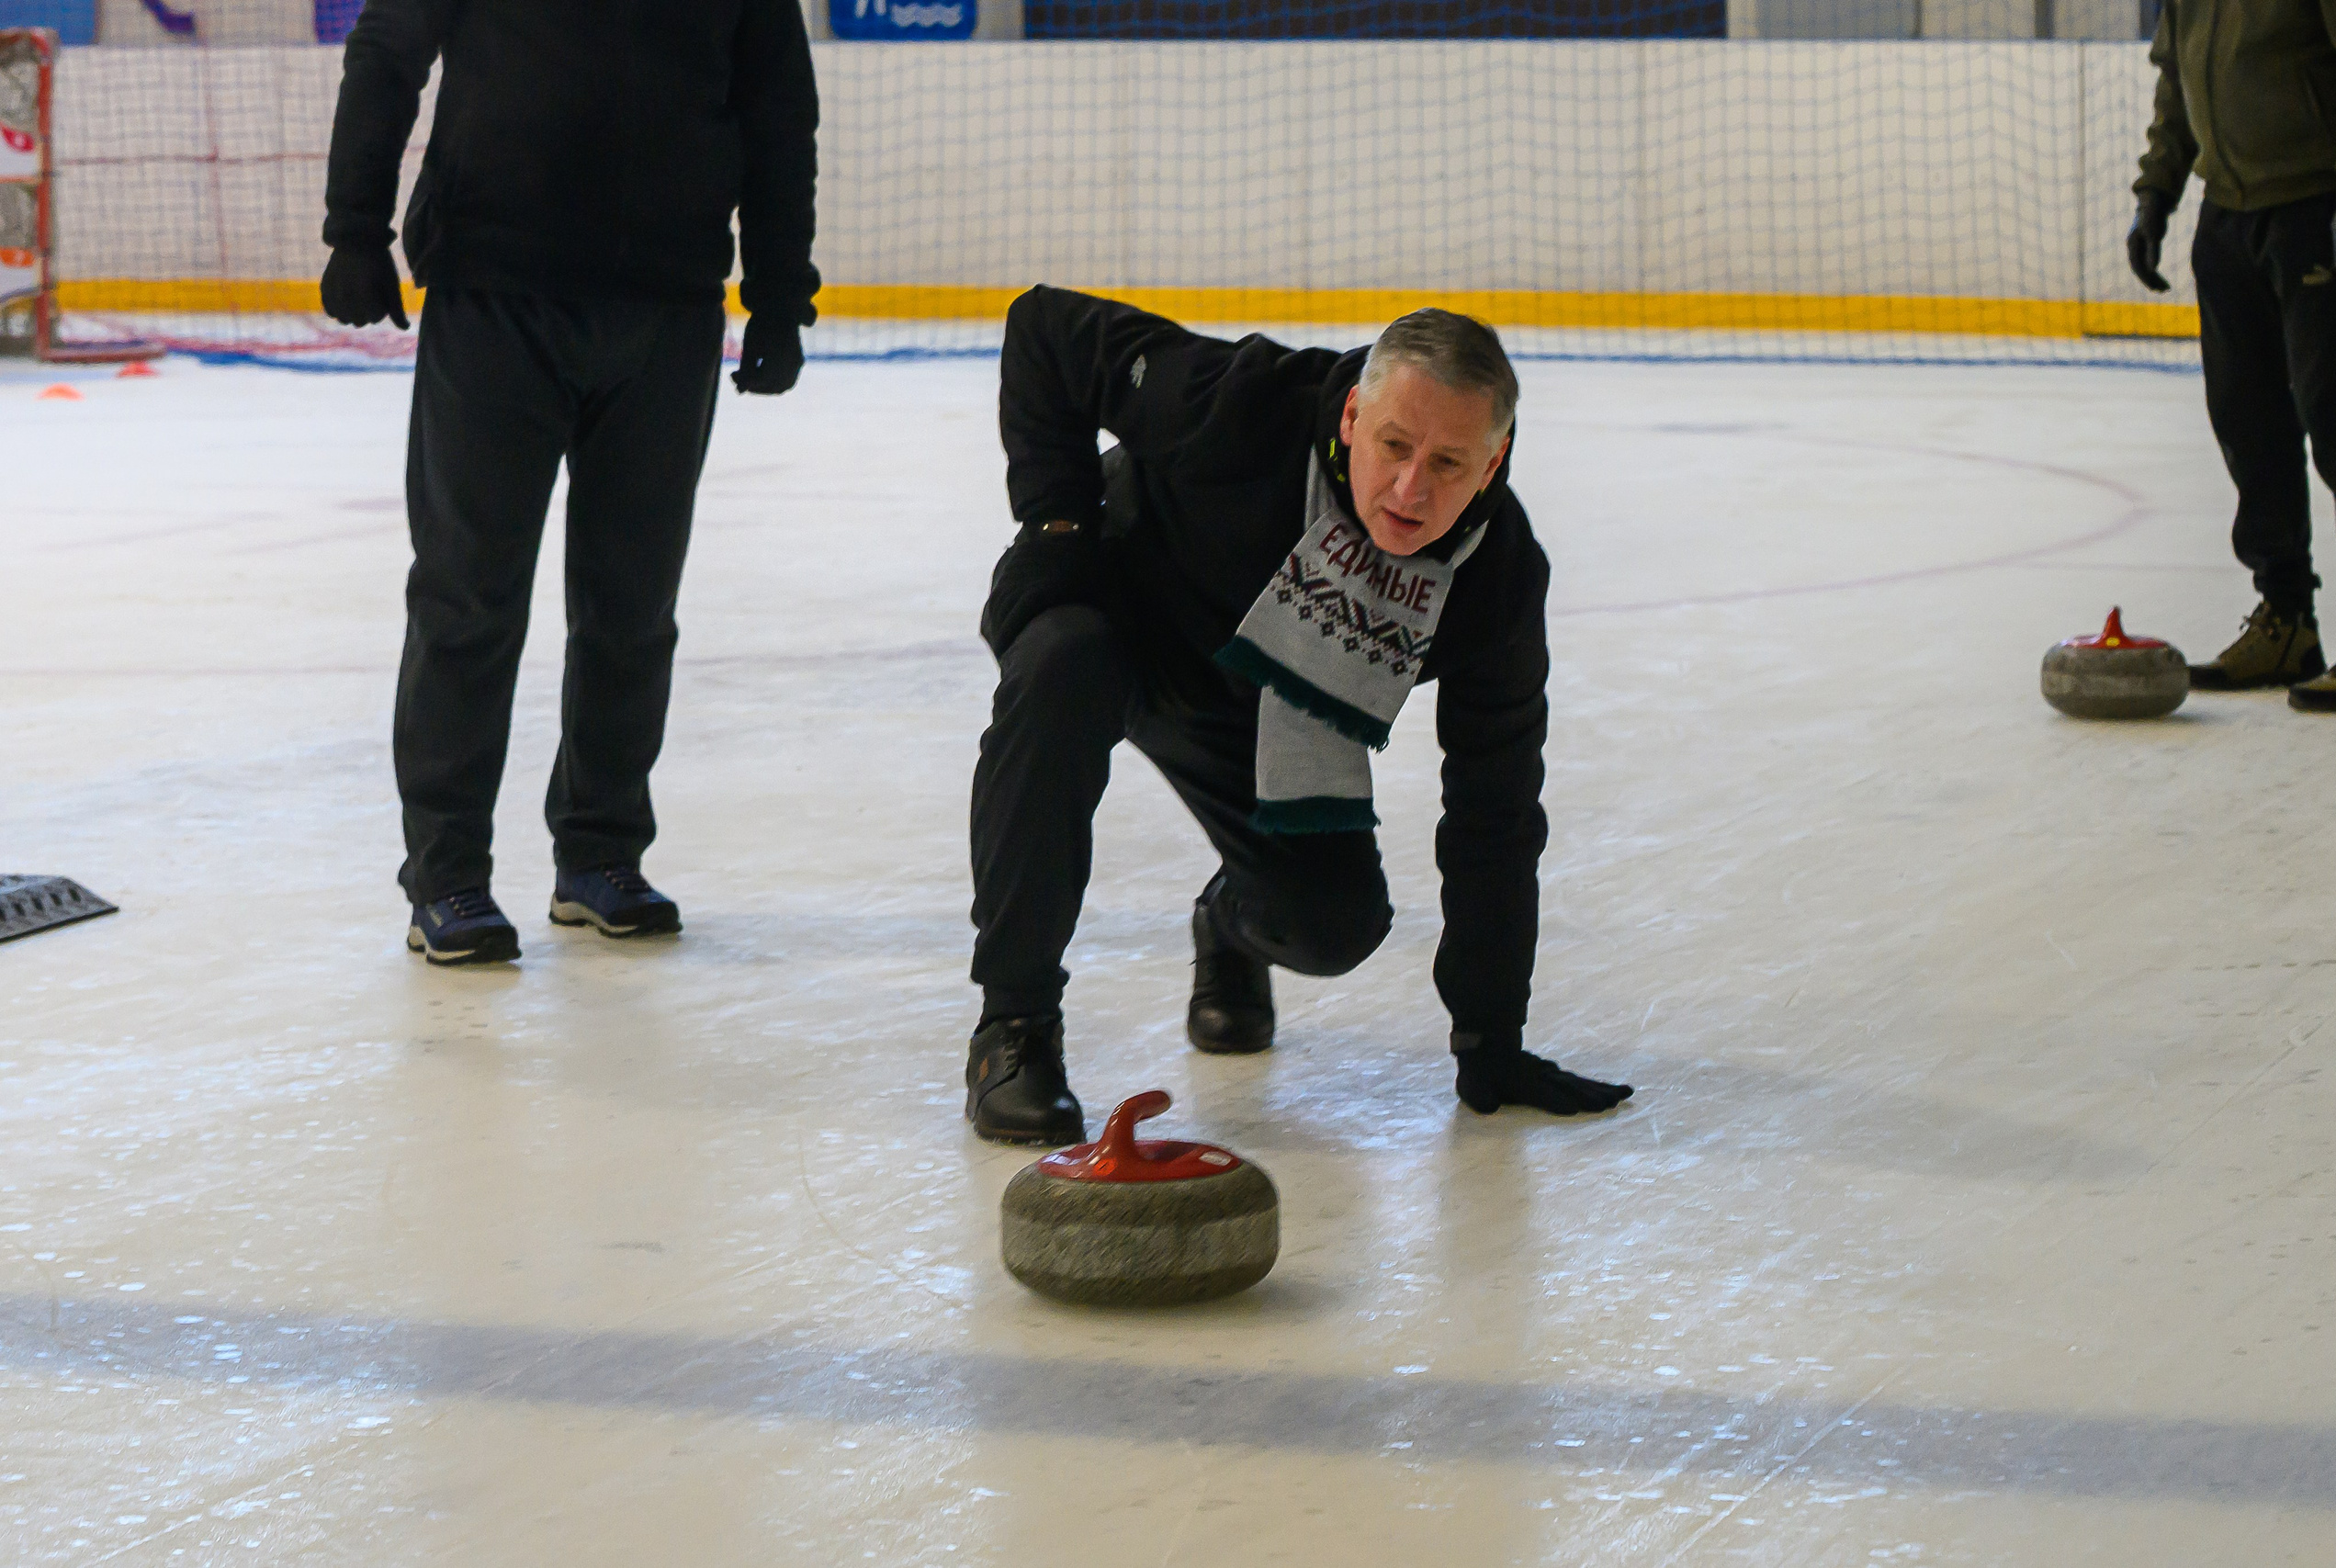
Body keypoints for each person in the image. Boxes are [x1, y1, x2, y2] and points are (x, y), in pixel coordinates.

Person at [963, 287, 1635, 1144]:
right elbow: (1043, 331)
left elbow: (1494, 804)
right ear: (1353, 416)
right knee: (1062, 664)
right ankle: (1012, 1032)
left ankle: (1230, 917)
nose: (1408, 488)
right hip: (1112, 609)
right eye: (1394, 444)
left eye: (1448, 465)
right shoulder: (1243, 404)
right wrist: (1056, 528)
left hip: (1252, 703)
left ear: (1493, 465)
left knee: (1332, 923)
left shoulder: (1494, 579)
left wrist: (1490, 1036)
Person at [319, 0, 819, 964]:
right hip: (496, 295)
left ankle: (600, 855)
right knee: (468, 596)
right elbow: (386, 53)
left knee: (632, 606)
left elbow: (775, 109)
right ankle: (448, 877)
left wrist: (780, 293)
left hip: (665, 311)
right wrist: (355, 228)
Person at [2129, 0, 2336, 706]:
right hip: (2227, 215)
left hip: (2312, 202)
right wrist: (2158, 192)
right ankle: (2286, 619)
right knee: (2247, 422)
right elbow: (2176, 77)